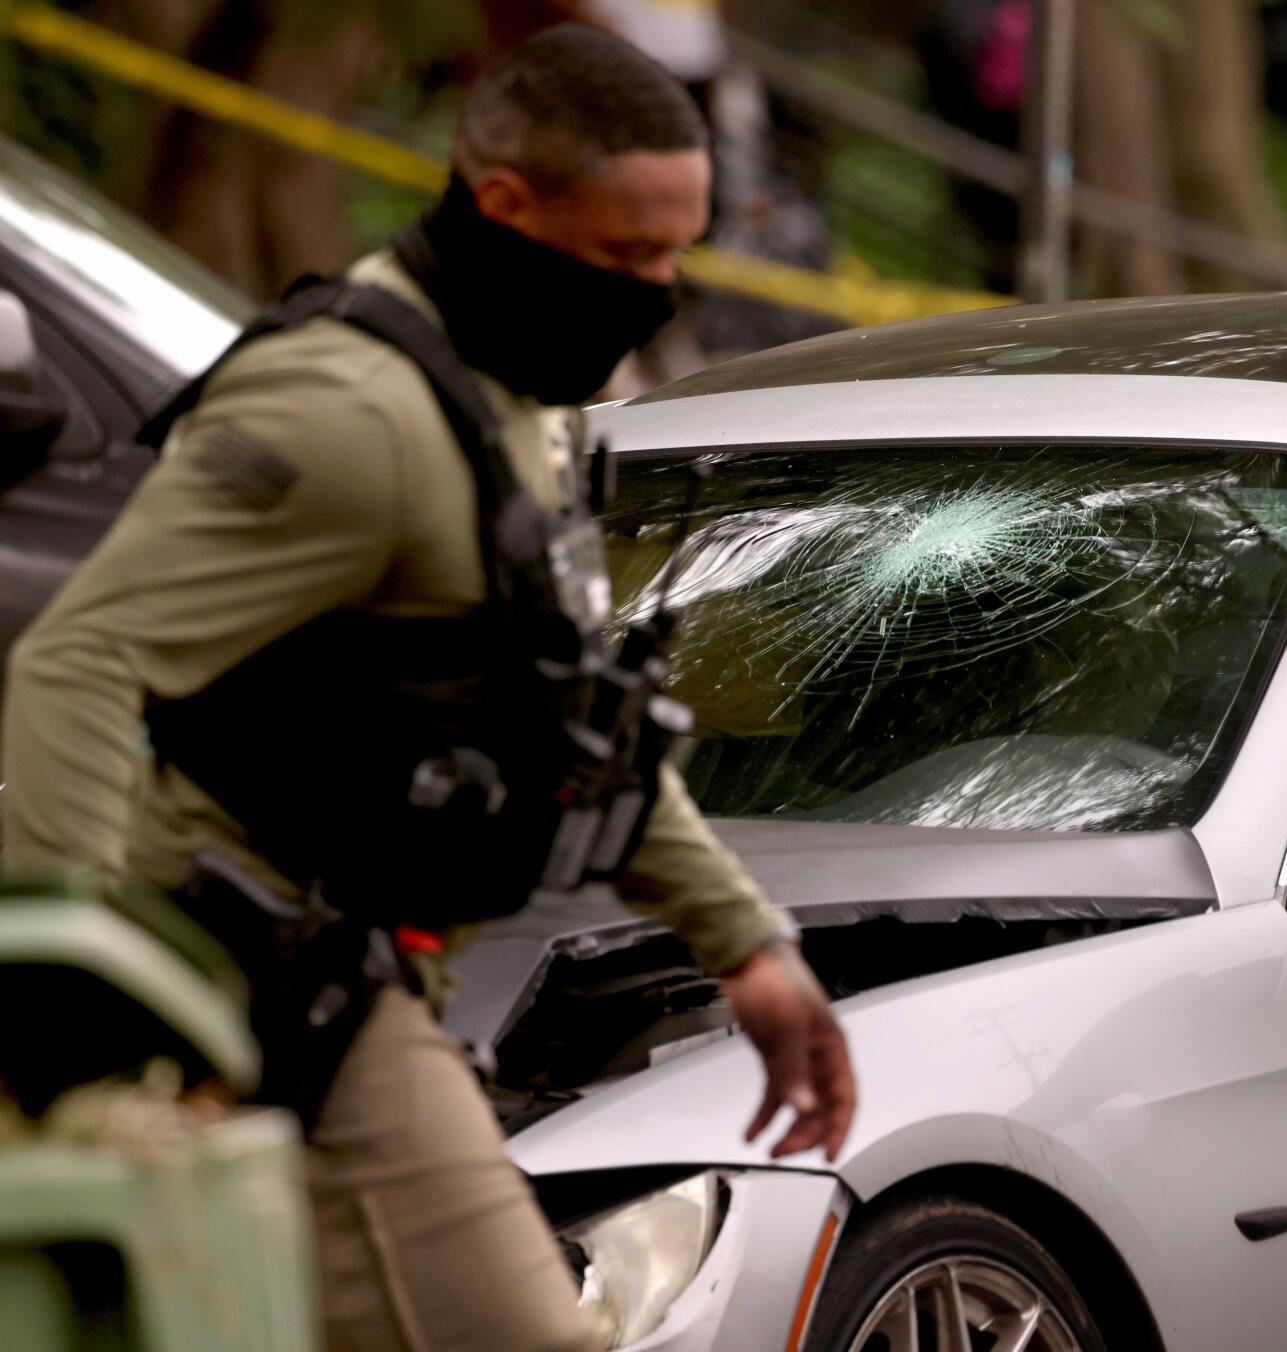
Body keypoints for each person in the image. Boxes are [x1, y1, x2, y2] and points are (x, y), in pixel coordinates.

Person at [0, 24, 854, 1352]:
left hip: (359, 977)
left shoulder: (514, 405)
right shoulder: (341, 409)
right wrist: (88, 1008)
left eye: (678, 252)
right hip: (260, 992)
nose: (661, 292)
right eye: (631, 255)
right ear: (507, 204)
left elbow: (581, 727)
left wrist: (746, 949)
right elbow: (80, 663)